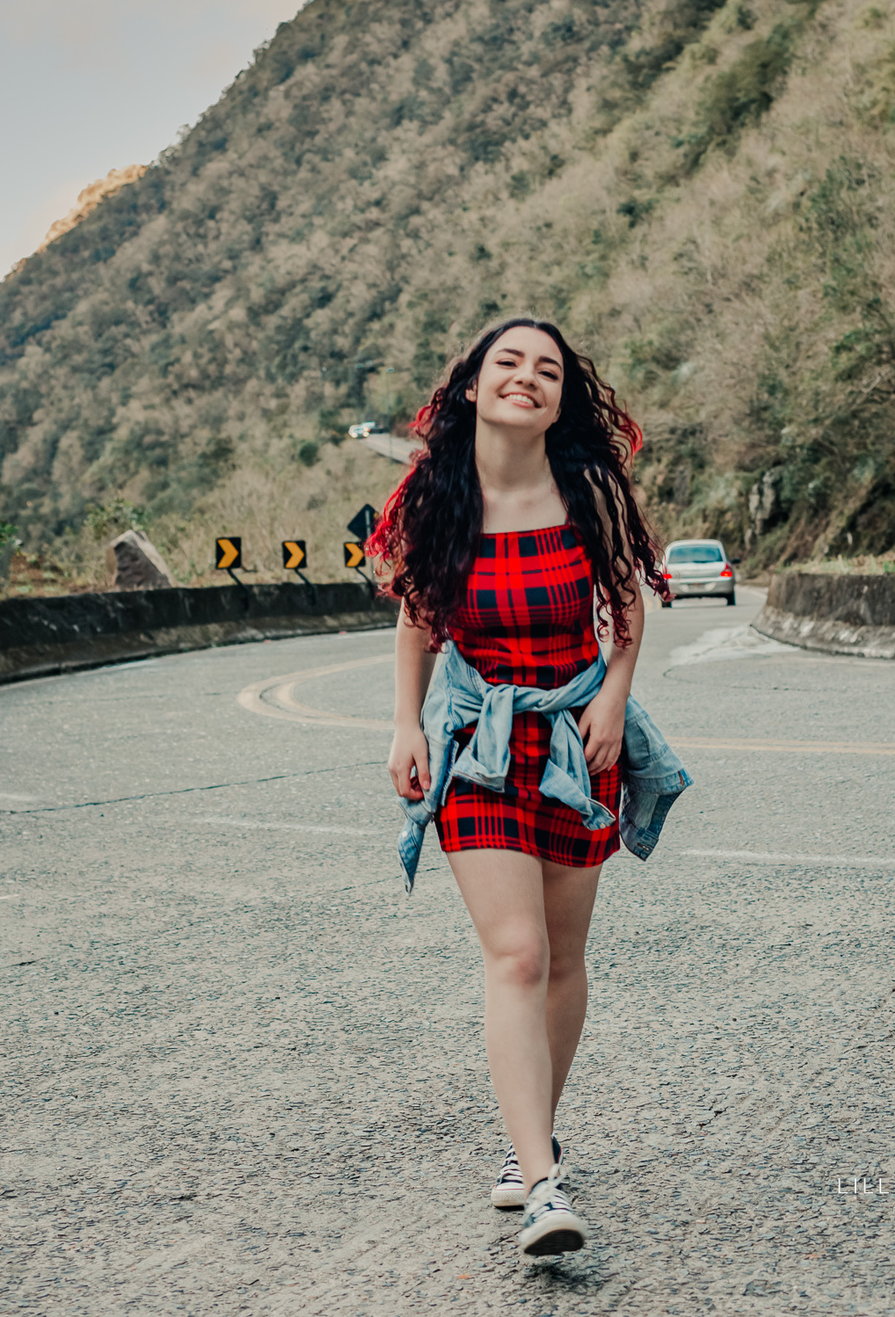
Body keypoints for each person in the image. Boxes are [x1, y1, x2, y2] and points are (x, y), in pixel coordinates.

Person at [370, 317, 689, 1259]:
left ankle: (532, 1134)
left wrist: (615, 698)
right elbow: (418, 617)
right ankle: (542, 1181)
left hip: (573, 737)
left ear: (560, 398)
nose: (528, 378)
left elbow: (627, 601)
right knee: (514, 954)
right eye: (508, 362)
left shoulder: (587, 489)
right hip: (477, 741)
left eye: (547, 369)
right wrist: (403, 723)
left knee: (560, 952)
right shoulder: (437, 493)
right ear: (472, 385)